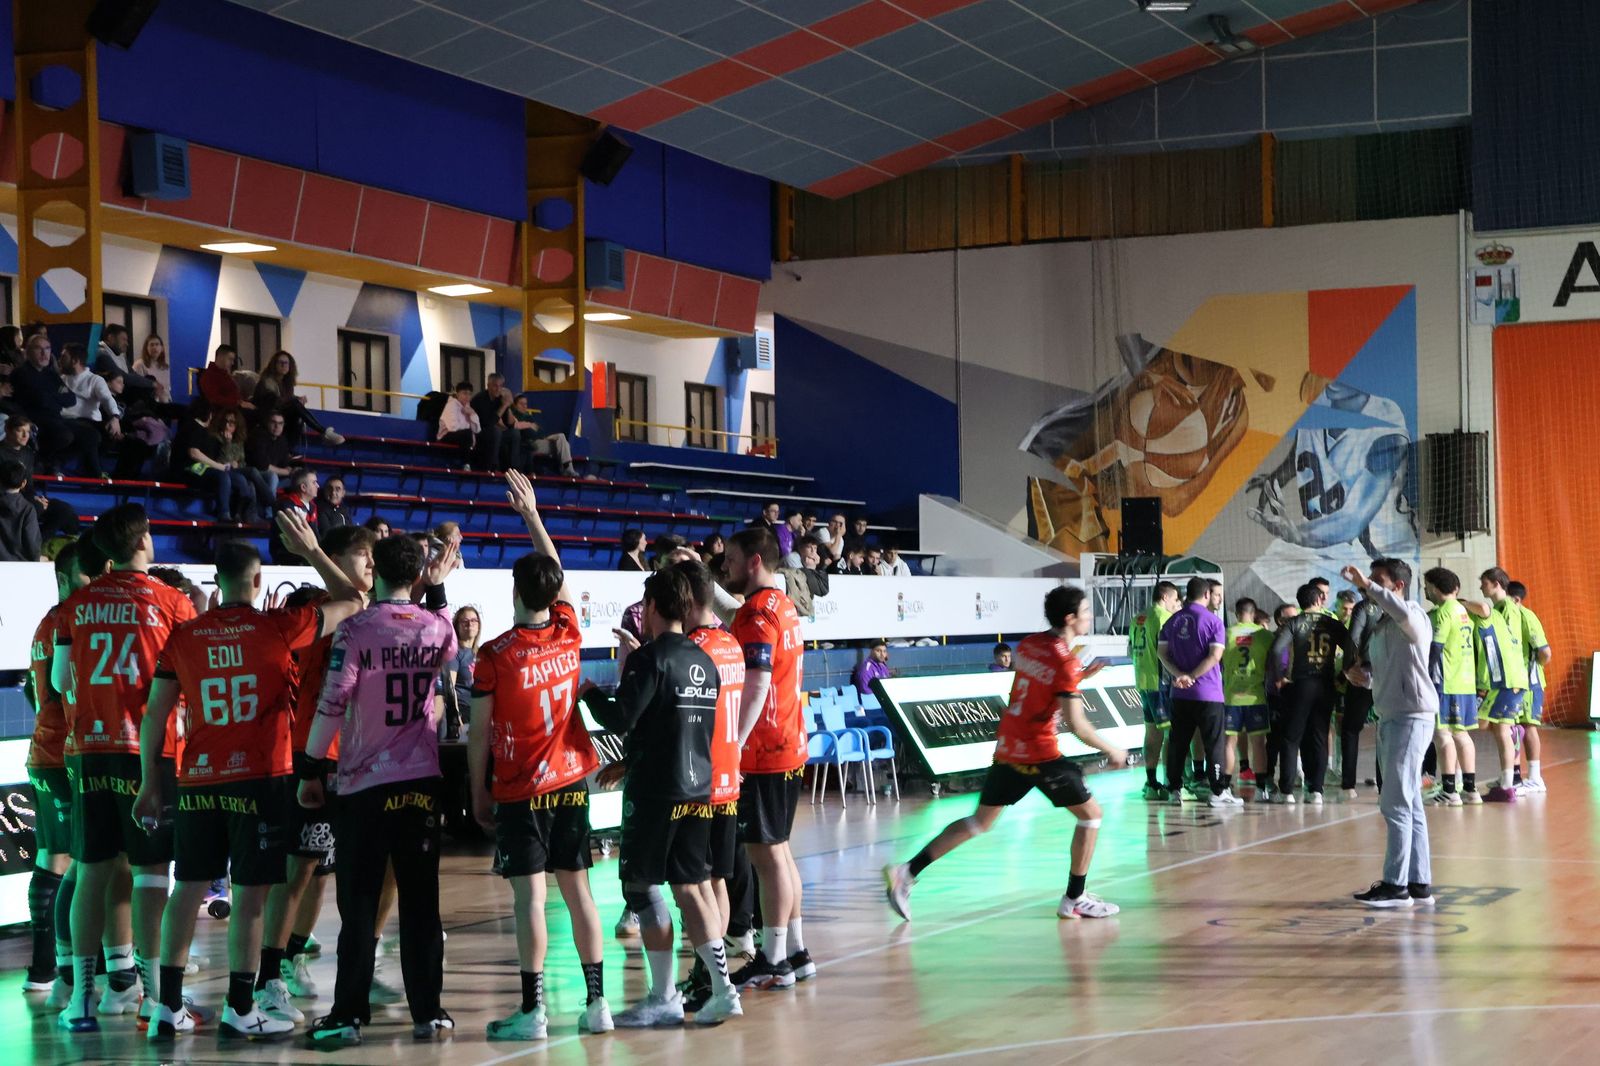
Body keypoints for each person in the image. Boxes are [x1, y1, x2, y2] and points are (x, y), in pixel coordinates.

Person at [135, 535, 364, 1040]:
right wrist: (311, 552)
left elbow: (155, 714)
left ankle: (166, 1007)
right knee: (252, 895)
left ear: (216, 580)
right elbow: (354, 601)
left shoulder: (184, 636)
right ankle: (240, 1006)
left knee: (187, 887)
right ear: (258, 580)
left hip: (197, 779)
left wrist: (151, 780)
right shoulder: (278, 627)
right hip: (259, 779)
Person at [467, 470, 613, 1040]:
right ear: (553, 596)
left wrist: (476, 793)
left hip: (520, 790)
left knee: (529, 899)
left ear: (514, 592)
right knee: (579, 892)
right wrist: (532, 516)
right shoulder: (569, 631)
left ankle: (533, 1012)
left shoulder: (494, 655)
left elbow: (479, 734)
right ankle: (597, 1004)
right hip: (572, 781)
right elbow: (560, 579)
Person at [884, 585, 1127, 921]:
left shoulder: (1028, 645)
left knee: (979, 821)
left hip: (1009, 745)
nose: (1090, 616)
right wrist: (1112, 748)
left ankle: (906, 872)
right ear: (1070, 618)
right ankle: (1074, 898)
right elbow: (1077, 725)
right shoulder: (1065, 663)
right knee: (1091, 815)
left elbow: (1040, 685)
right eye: (1086, 611)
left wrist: (1079, 676)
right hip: (1040, 754)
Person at [300, 533, 460, 1046]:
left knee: (360, 904)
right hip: (420, 781)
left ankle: (347, 1014)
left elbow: (332, 702)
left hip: (365, 784)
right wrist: (438, 591)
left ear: (377, 570)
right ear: (416, 576)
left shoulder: (355, 629)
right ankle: (429, 1012)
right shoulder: (436, 626)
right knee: (421, 902)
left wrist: (309, 767)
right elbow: (452, 648)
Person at [52, 504, 199, 1032]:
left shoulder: (76, 605)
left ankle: (80, 1000)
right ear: (143, 541)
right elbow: (191, 676)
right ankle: (154, 999)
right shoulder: (173, 602)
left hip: (89, 749)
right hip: (149, 751)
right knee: (151, 873)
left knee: (90, 868)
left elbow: (60, 681)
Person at [578, 567, 741, 1028]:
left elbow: (621, 718)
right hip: (699, 788)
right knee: (690, 887)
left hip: (656, 793)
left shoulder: (650, 658)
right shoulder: (703, 660)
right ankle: (723, 990)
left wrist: (589, 694)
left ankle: (664, 995)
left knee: (642, 887)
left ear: (650, 607)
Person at [258, 524, 378, 1009]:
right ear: (336, 559)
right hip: (312, 757)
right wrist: (311, 550)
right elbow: (353, 600)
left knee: (322, 869)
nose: (371, 564)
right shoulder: (320, 613)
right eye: (363, 555)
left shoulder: (363, 610)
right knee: (298, 869)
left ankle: (291, 955)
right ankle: (268, 974)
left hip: (351, 758)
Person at [723, 527, 812, 989]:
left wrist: (735, 743)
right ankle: (796, 951)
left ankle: (774, 959)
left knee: (767, 856)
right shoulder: (782, 605)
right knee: (780, 852)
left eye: (732, 560)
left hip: (765, 749)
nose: (726, 567)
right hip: (790, 742)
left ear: (754, 560)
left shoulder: (758, 614)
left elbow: (757, 684)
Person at [23, 541, 97, 1002]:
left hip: (47, 753)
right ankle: (61, 970)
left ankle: (48, 968)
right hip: (59, 755)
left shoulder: (48, 622)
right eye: (89, 576)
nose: (97, 584)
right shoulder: (67, 622)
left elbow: (35, 693)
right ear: (66, 578)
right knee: (70, 862)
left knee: (55, 858)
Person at [1340, 560, 1437, 908]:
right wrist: (1361, 678)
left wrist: (1366, 584)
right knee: (1409, 802)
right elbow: (1381, 672)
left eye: (1378, 581)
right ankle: (1419, 882)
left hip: (1410, 717)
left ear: (1398, 586)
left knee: (1394, 801)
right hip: (1391, 716)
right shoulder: (1382, 627)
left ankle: (1395, 887)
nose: (1369, 586)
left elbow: (1397, 608)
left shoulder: (1413, 616)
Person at [672, 558, 746, 1015]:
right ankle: (710, 975)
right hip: (729, 775)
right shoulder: (731, 644)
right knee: (717, 879)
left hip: (699, 780)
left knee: (695, 885)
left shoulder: (692, 650)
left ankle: (708, 977)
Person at [1268, 584, 1355, 805]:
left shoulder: (1294, 622)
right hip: (1326, 684)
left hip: (1301, 684)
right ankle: (1316, 790)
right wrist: (1343, 675)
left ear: (1301, 603)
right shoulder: (1331, 623)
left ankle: (1287, 791)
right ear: (1318, 600)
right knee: (1319, 735)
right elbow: (1352, 648)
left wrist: (1279, 677)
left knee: (1291, 737)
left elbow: (1276, 650)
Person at [1157, 577, 1233, 805]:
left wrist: (1179, 675)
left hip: (1180, 694)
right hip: (1208, 693)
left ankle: (1174, 789)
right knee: (1214, 743)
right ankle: (1218, 792)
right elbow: (1214, 656)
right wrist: (1192, 676)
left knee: (1178, 743)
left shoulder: (1172, 621)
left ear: (1186, 594)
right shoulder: (1214, 621)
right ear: (1207, 594)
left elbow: (1162, 654)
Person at [1423, 568, 1479, 806]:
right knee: (1461, 734)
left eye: (1426, 586)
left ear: (1435, 588)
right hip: (1465, 682)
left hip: (1446, 682)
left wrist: (1423, 674)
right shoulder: (1462, 610)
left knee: (1443, 735)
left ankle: (1449, 791)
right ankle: (1471, 790)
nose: (1425, 590)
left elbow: (1436, 648)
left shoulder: (1444, 612)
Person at [1495, 575, 1552, 793]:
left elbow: (1545, 652)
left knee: (1529, 726)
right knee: (1514, 727)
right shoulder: (1504, 615)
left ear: (1516, 600)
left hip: (1530, 683)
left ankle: (1536, 778)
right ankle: (1516, 776)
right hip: (1513, 682)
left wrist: (1533, 670)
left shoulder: (1527, 617)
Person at [15, 332, 98, 475]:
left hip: (56, 418)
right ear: (28, 351)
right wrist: (55, 397)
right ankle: (40, 461)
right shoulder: (21, 373)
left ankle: (56, 461)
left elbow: (70, 399)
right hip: (34, 420)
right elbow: (39, 400)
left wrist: (50, 397)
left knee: (92, 435)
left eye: (47, 348)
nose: (44, 353)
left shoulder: (51, 374)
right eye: (39, 348)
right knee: (64, 435)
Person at [1129, 581, 1178, 799]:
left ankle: (1150, 783)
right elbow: (1168, 652)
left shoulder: (1138, 618)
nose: (1176, 603)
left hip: (1142, 680)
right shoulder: (1164, 618)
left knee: (1151, 733)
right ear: (1165, 597)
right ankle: (1170, 783)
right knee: (1170, 733)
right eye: (1175, 599)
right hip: (1161, 683)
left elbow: (1130, 649)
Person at [0, 416, 77, 540]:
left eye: (28, 431)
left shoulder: (28, 453)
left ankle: (40, 542)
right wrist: (32, 501)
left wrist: (36, 498)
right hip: (6, 501)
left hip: (26, 500)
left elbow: (29, 484)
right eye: (20, 431)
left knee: (64, 509)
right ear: (8, 430)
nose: (25, 435)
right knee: (36, 508)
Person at [1222, 599, 1270, 796]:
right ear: (1254, 613)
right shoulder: (1264, 635)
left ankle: (1224, 787)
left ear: (1236, 614)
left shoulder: (1227, 633)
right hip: (1255, 697)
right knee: (1258, 743)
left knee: (1229, 743)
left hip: (1231, 697)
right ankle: (1261, 788)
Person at [1340, 585, 1384, 799]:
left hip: (1364, 672)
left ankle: (1348, 786)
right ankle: (1384, 785)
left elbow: (1354, 637)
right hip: (1388, 673)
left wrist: (1348, 667)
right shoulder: (1396, 607)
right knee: (1384, 729)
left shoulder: (1364, 607)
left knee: (1350, 728)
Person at [252, 351, 343, 448]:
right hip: (266, 414)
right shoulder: (268, 380)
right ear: (274, 364)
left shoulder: (286, 383)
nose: (284, 365)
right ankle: (323, 432)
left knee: (298, 418)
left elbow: (285, 399)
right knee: (295, 405)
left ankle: (289, 451)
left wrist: (297, 398)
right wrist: (294, 401)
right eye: (280, 362)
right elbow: (274, 400)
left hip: (279, 412)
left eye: (286, 363)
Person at [60, 344, 121, 474]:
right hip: (67, 420)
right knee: (91, 435)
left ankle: (87, 469)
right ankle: (96, 474)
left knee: (111, 432)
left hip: (90, 421)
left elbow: (107, 399)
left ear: (75, 361)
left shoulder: (94, 380)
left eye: (63, 357)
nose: (60, 361)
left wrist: (115, 417)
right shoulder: (60, 380)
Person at [270, 468, 318, 565]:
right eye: (314, 483)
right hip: (286, 556)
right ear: (303, 487)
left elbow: (315, 534)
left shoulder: (312, 506)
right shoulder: (285, 505)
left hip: (306, 555)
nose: (318, 486)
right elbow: (291, 536)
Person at [246, 410, 297, 499]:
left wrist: (291, 470)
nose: (277, 426)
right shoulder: (258, 436)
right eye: (274, 422)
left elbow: (284, 463)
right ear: (267, 423)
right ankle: (270, 507)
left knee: (300, 477)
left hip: (273, 476)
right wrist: (287, 472)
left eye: (280, 423)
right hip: (256, 474)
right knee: (272, 477)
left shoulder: (282, 440)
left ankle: (293, 505)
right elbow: (263, 465)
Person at [470, 374, 514, 472]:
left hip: (491, 432)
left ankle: (513, 470)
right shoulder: (480, 399)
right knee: (496, 431)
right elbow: (488, 423)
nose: (498, 389)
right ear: (488, 385)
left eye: (500, 386)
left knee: (514, 434)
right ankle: (492, 468)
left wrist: (508, 405)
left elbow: (510, 424)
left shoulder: (499, 399)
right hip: (477, 432)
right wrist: (504, 406)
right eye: (495, 386)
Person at [0, 459, 41, 561]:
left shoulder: (27, 509)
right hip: (19, 565)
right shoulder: (27, 509)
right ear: (24, 483)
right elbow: (32, 545)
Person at [437, 382, 480, 468]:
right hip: (446, 436)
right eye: (464, 393)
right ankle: (466, 464)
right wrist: (469, 434)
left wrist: (473, 414)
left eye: (469, 394)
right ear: (457, 394)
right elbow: (453, 427)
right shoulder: (451, 405)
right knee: (467, 434)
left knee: (483, 437)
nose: (467, 396)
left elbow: (477, 429)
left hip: (463, 438)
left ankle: (482, 468)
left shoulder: (468, 408)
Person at [132, 334, 172, 403]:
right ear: (146, 348)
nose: (154, 347)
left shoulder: (166, 367)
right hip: (149, 403)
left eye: (157, 344)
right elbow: (137, 386)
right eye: (151, 345)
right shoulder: (140, 364)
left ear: (162, 348)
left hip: (166, 401)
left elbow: (167, 389)